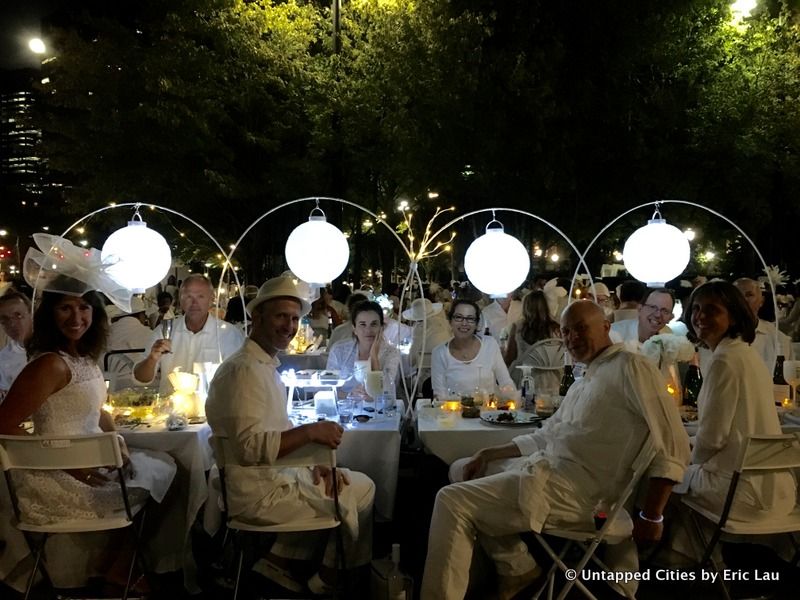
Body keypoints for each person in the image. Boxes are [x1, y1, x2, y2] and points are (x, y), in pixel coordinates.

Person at [422, 301, 690, 600]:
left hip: (581, 497)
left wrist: (653, 515)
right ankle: (515, 566)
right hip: (549, 473)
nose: (572, 338)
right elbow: (548, 434)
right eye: (565, 331)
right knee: (462, 467)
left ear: (605, 327)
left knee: (451, 501)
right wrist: (487, 454)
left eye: (580, 328)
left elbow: (674, 443)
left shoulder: (632, 367)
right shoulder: (587, 376)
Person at [0, 278, 176, 591]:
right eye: (65, 308)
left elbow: (99, 410)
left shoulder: (82, 357)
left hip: (91, 462)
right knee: (163, 472)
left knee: (162, 464)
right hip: (54, 476)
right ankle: (119, 566)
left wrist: (118, 441)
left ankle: (116, 563)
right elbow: (4, 424)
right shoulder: (49, 364)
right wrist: (69, 466)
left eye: (84, 307)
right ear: (49, 314)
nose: (76, 317)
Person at [205, 276, 374, 595]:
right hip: (258, 494)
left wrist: (310, 463)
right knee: (364, 488)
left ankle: (279, 561)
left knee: (335, 477)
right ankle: (330, 577)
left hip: (269, 478)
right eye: (281, 316)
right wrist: (311, 432)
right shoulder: (245, 371)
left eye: (295, 318)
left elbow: (268, 435)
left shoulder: (260, 365)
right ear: (257, 318)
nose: (290, 326)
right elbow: (252, 448)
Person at [676, 280, 795, 522]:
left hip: (740, 494)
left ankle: (670, 555)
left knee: (661, 474)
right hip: (781, 494)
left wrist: (679, 452)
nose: (700, 317)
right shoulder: (746, 354)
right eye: (696, 309)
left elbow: (713, 439)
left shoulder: (724, 360)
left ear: (733, 316)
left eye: (712, 310)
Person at [134, 274, 245, 396]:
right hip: (169, 410)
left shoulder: (228, 334)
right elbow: (140, 379)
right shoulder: (164, 331)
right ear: (180, 300)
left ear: (212, 299)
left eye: (200, 296)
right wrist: (152, 358)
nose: (194, 303)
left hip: (212, 411)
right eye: (188, 297)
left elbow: (240, 379)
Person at [430, 299, 514, 399]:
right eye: (458, 317)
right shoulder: (439, 353)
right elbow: (439, 395)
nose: (464, 323)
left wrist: (512, 401)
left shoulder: (490, 344)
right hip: (453, 413)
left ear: (476, 324)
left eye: (470, 319)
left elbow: (506, 382)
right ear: (450, 321)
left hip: (489, 412)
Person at [326, 300, 401, 396]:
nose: (368, 330)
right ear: (354, 329)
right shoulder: (339, 350)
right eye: (362, 324)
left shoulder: (391, 353)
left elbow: (384, 391)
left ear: (381, 328)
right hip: (345, 407)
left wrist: (374, 358)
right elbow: (328, 387)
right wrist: (350, 395)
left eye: (374, 324)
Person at [733, 277, 793, 372]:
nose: (743, 300)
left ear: (761, 301)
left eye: (749, 295)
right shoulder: (716, 338)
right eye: (737, 295)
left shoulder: (779, 339)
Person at [104, 296, 153, 391]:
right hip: (146, 388)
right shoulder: (151, 335)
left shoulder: (105, 334)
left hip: (110, 388)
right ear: (141, 315)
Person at [610, 287, 674, 350]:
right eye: (652, 307)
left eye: (665, 311)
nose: (658, 315)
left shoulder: (669, 336)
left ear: (670, 317)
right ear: (640, 309)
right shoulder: (614, 334)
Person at [0, 291, 33, 401]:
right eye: (5, 320)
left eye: (18, 315)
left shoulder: (51, 348)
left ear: (31, 314)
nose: (12, 324)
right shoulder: (4, 357)